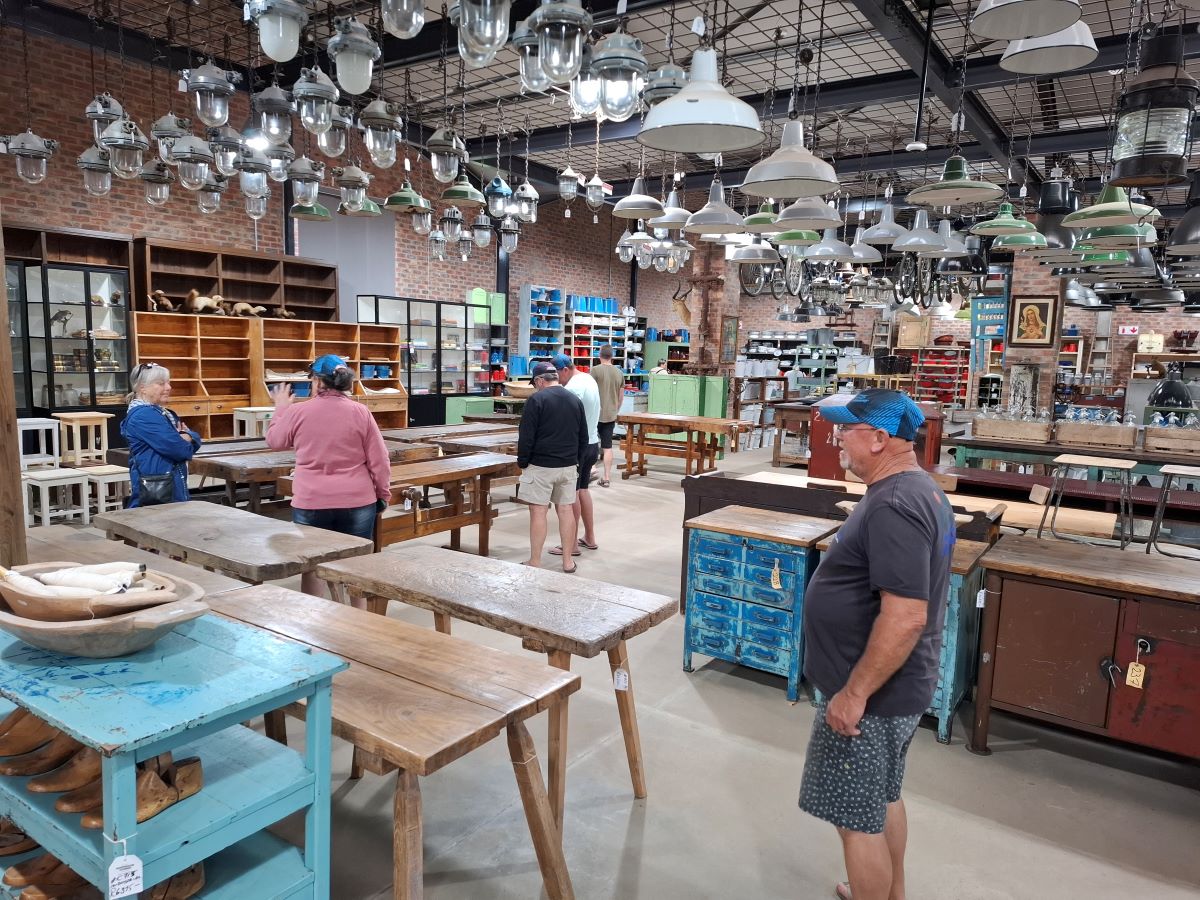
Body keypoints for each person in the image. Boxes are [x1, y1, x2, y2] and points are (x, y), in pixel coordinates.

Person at [798, 389, 955, 900]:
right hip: (894, 689)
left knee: (854, 822)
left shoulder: (895, 505)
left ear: (880, 438)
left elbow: (906, 615)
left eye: (846, 429)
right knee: (882, 798)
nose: (837, 438)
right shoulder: (916, 490)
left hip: (871, 697)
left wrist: (854, 694)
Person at [266, 354, 392, 598]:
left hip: (312, 500)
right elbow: (379, 460)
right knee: (357, 565)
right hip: (357, 500)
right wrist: (382, 495)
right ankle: (357, 615)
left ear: (317, 381)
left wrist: (281, 408)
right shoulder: (361, 412)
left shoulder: (298, 412)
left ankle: (316, 617)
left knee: (312, 566)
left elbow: (275, 441)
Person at [515, 360, 587, 572]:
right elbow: (583, 437)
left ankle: (535, 561)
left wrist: (523, 462)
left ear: (539, 381)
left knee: (538, 511)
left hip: (541, 465)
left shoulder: (536, 400)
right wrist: (577, 463)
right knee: (565, 510)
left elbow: (526, 436)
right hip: (568, 466)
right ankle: (568, 561)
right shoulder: (574, 400)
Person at [121, 362, 202, 508]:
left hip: (167, 488)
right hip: (158, 493)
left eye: (168, 382)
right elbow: (180, 450)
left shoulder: (159, 412)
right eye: (161, 383)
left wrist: (186, 437)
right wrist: (190, 436)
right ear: (142, 388)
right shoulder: (144, 415)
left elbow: (180, 446)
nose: (168, 387)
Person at [548, 353, 600, 558]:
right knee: (583, 490)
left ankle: (572, 545)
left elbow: (564, 419)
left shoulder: (572, 388)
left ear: (565, 370)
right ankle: (590, 537)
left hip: (578, 447)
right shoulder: (588, 378)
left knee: (571, 495)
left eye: (556, 375)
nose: (556, 380)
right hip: (592, 442)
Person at [591, 344, 624, 487]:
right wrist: (615, 410)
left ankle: (591, 469)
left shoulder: (594, 370)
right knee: (607, 446)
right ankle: (606, 478)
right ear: (612, 356)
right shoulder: (619, 373)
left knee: (591, 442)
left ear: (600, 355)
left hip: (594, 413)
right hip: (611, 414)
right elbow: (621, 397)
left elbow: (590, 391)